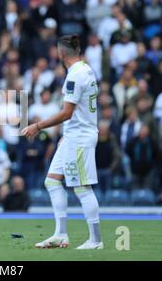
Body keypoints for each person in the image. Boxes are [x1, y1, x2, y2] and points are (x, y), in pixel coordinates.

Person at [22, 34, 103, 250]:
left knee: (82, 188)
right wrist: (65, 137)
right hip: (72, 135)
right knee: (52, 181)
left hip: (80, 137)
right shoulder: (86, 69)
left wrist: (37, 126)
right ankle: (60, 234)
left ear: (60, 53)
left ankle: (95, 240)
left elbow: (67, 112)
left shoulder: (76, 75)